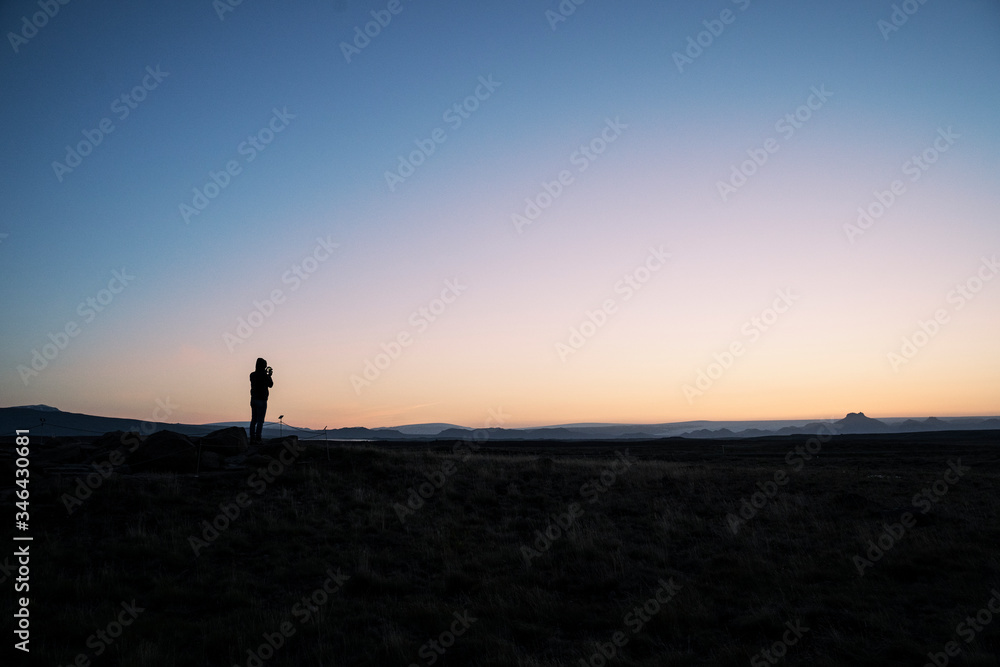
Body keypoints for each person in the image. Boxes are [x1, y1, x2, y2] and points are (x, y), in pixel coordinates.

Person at [248, 357, 273, 443]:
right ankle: (258, 438)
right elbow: (271, 384)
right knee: (260, 421)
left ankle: (252, 438)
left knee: (253, 419)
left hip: (253, 399)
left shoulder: (252, 375)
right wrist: (269, 375)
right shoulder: (265, 376)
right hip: (262, 400)